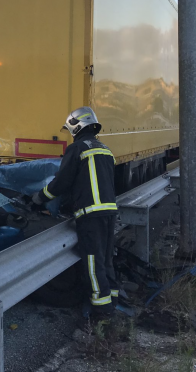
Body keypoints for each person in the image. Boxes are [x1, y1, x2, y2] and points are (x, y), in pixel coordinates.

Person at [31, 106, 119, 322]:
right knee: (106, 259)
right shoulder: (105, 149)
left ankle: (102, 312)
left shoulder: (77, 148)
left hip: (90, 215)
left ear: (76, 127)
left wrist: (39, 198)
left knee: (93, 262)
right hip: (109, 212)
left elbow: (62, 182)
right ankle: (112, 300)